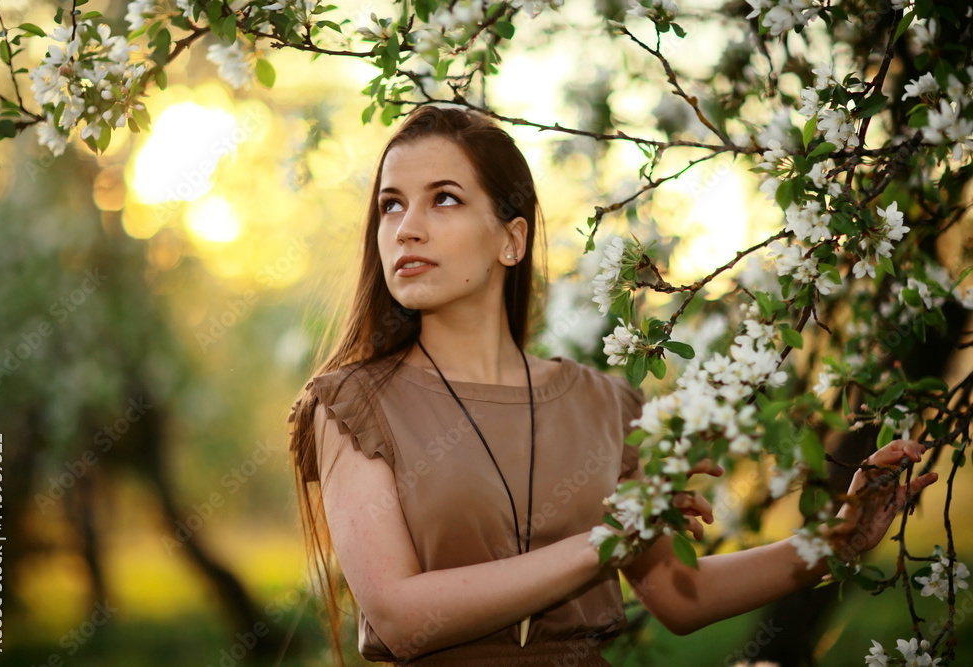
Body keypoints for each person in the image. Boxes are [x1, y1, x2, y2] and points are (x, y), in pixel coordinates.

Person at [287, 105, 938, 666]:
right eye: (391, 205)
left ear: (511, 240)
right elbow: (400, 615)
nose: (407, 228)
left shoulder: (604, 404)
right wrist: (601, 542)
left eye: (444, 198)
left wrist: (837, 539)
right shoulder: (352, 405)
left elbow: (682, 595)